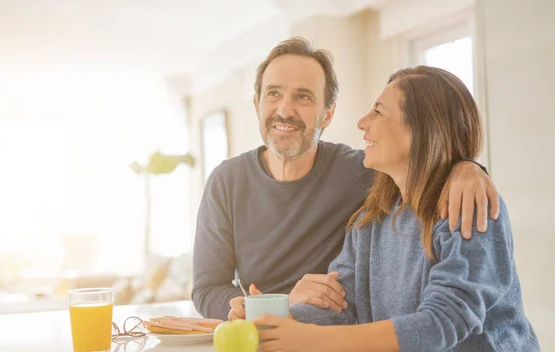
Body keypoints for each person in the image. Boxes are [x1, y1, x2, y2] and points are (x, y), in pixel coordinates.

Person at [240, 66, 548, 352]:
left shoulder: (467, 206)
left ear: (423, 128)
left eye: (379, 112)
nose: (362, 123)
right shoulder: (369, 224)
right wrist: (270, 320)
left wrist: (314, 341)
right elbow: (340, 308)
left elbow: (443, 322)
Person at [192, 37, 499, 321]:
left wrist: (466, 166)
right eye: (273, 94)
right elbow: (207, 289)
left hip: (333, 338)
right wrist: (274, 306)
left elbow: (425, 161)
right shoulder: (226, 181)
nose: (285, 110)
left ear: (327, 114)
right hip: (269, 333)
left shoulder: (362, 171)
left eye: (303, 97)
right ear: (257, 105)